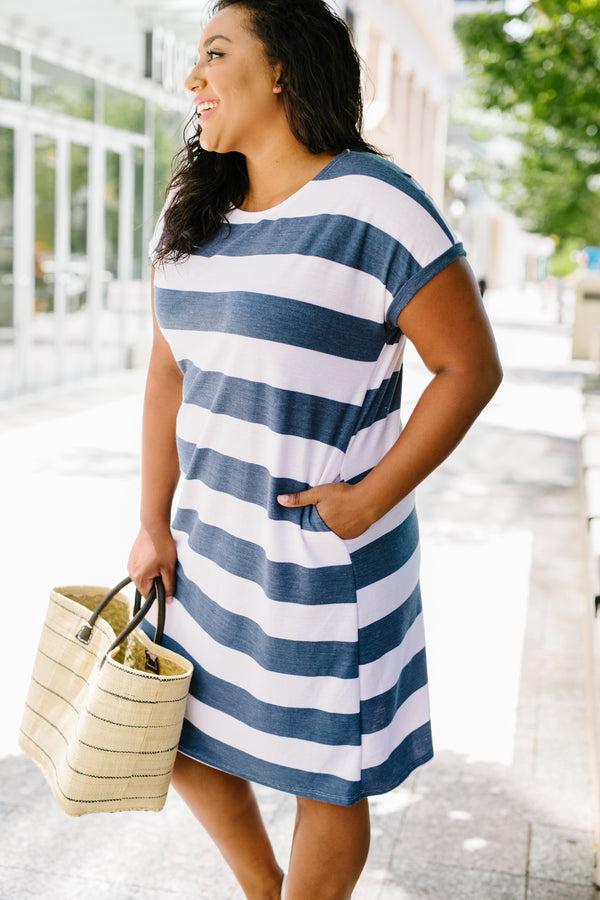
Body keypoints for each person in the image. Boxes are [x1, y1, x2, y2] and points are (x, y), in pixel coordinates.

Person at [128, 1, 502, 898]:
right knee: (174, 734)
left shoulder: (375, 203)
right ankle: (265, 889)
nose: (194, 80)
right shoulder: (192, 209)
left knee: (323, 764)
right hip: (208, 544)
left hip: (321, 555)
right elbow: (165, 376)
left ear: (284, 69)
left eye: (216, 55)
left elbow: (469, 366)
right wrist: (150, 522)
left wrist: (371, 498)